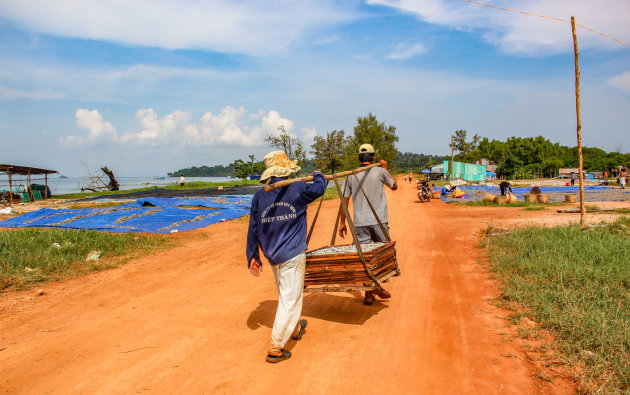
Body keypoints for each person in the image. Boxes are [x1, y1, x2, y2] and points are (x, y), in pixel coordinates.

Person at [246, 150, 326, 363]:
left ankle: (295, 328)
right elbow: (319, 188)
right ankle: (275, 346)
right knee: (290, 298)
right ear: (286, 170)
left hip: (272, 254)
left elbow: (254, 227)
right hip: (292, 254)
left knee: (287, 293)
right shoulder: (297, 187)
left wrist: (252, 255)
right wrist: (319, 174)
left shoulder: (260, 195)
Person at [338, 143, 398, 305]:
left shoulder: (351, 175)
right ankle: (376, 285)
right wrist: (386, 168)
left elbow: (345, 200)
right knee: (381, 256)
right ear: (373, 157)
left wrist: (342, 222)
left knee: (364, 259)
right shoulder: (380, 171)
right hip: (380, 221)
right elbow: (394, 186)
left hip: (360, 224)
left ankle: (368, 294)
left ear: (358, 157)